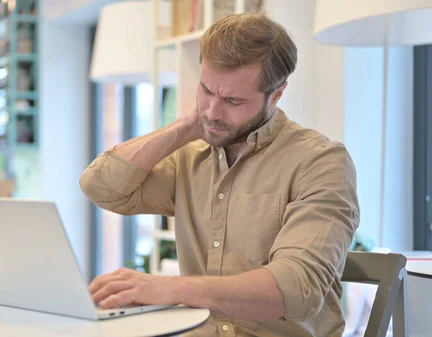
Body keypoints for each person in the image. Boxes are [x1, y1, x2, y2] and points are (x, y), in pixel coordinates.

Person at [79, 11, 359, 337]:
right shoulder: (191, 156)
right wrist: (184, 127)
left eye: (232, 100)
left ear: (277, 94)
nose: (212, 112)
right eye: (206, 90)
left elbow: (297, 287)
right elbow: (100, 187)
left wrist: (170, 288)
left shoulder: (320, 162)